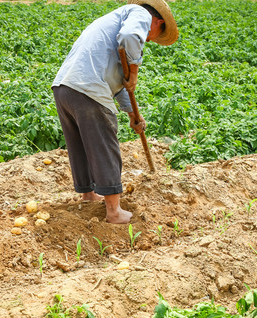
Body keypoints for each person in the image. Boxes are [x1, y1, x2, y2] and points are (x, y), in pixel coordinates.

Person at [52, 0, 179, 224]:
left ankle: (88, 194)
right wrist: (135, 72)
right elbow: (131, 36)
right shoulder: (139, 14)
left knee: (80, 144)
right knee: (105, 144)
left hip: (65, 87)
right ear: (157, 22)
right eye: (154, 36)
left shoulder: (113, 22)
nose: (149, 40)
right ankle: (114, 212)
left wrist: (133, 116)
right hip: (89, 88)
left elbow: (119, 83)